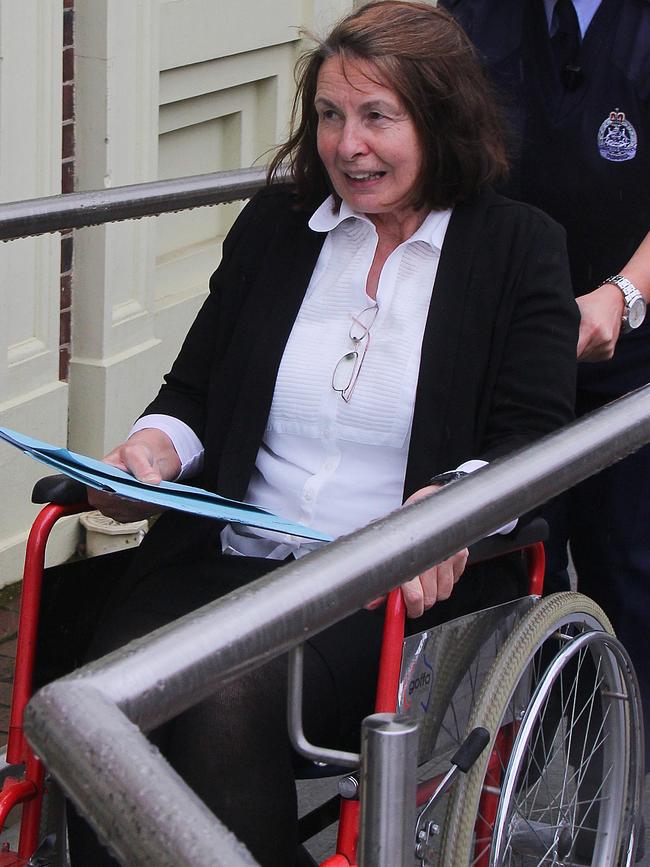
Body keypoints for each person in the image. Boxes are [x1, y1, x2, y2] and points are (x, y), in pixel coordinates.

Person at [69, 3, 579, 864]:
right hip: (225, 558)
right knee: (89, 709)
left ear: (442, 119)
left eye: (378, 117)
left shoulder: (518, 249)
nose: (348, 145)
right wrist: (148, 452)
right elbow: (192, 392)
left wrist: (448, 508)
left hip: (384, 591)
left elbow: (533, 444)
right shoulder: (278, 229)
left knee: (227, 699)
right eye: (332, 116)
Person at [440, 0, 650, 764]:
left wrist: (623, 295)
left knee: (627, 564)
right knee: (513, 563)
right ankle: (507, 777)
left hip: (629, 337)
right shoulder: (472, 11)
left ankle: (616, 785)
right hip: (508, 342)